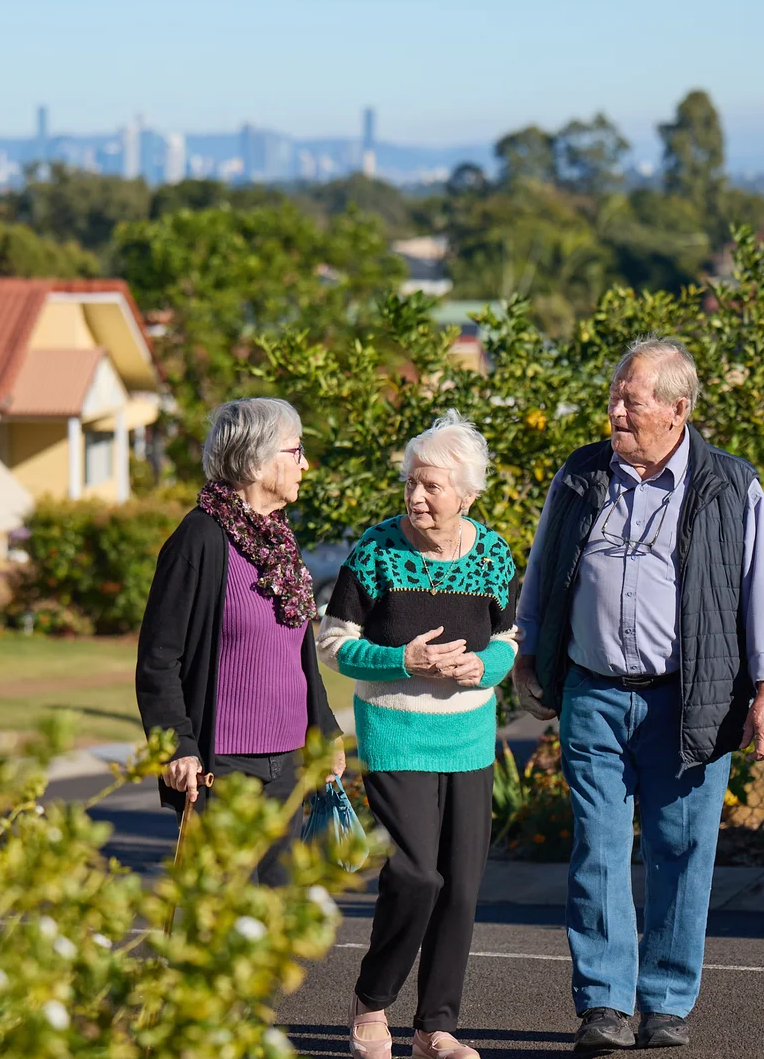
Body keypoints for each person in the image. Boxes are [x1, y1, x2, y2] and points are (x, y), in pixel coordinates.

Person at [512, 337, 764, 1054]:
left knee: (682, 851)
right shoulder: (580, 474)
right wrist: (526, 652)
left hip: (691, 697)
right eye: (613, 397)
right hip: (593, 691)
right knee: (598, 849)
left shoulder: (730, 484)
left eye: (630, 401)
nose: (615, 412)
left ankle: (666, 1004)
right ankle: (604, 1005)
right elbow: (543, 567)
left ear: (677, 409)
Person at [318, 410, 518, 1059]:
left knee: (460, 887)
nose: (416, 496)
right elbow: (333, 644)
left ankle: (435, 1027)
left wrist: (482, 666)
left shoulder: (492, 554)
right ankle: (371, 1001)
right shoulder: (375, 550)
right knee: (415, 876)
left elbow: (510, 638)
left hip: (468, 739)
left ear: (467, 495)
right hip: (394, 734)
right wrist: (403, 660)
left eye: (431, 486)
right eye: (411, 482)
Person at [135, 397, 345, 886]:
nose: (305, 465)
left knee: (276, 913)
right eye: (296, 451)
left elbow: (296, 654)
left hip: (288, 763)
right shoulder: (199, 539)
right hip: (223, 769)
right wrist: (176, 746)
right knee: (222, 911)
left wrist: (326, 732)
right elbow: (159, 660)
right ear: (256, 461)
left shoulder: (278, 540)